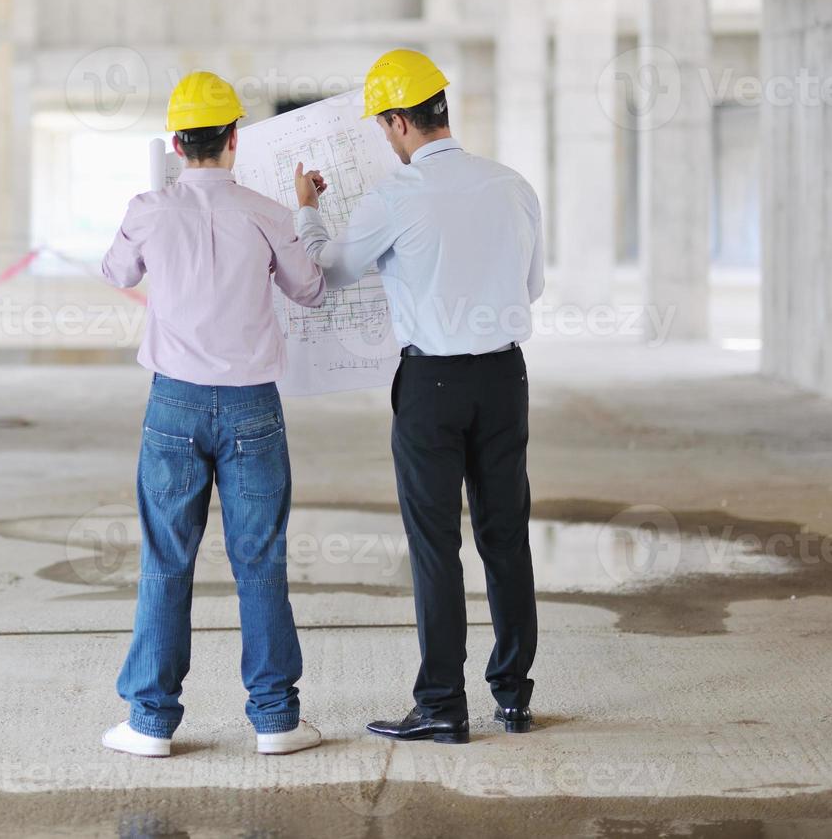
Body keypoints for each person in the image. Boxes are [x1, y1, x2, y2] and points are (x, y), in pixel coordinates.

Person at [293, 49, 544, 744]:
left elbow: (330, 273)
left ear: (401, 120)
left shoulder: (397, 197)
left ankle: (441, 705)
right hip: (504, 378)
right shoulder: (512, 185)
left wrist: (308, 212)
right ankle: (514, 697)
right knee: (505, 535)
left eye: (383, 125)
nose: (385, 137)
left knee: (436, 545)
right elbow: (532, 288)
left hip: (432, 384)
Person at [99, 70, 326, 758]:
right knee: (260, 560)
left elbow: (116, 273)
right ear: (235, 140)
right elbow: (311, 289)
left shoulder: (150, 206)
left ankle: (150, 724)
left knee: (166, 561)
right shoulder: (266, 213)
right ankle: (276, 720)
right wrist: (307, 211)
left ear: (175, 143)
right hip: (254, 408)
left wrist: (149, 219)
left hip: (173, 404)